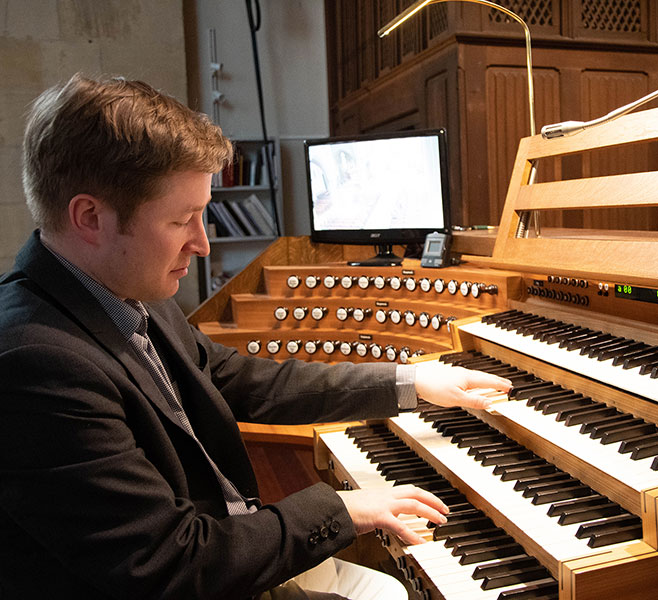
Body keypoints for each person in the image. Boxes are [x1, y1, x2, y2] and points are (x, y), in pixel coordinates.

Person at [0, 73, 511, 599]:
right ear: (91, 217)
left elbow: (238, 378)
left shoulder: (124, 291)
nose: (201, 244)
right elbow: (166, 565)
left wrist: (410, 381)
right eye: (184, 220)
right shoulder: (36, 362)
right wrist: (341, 509)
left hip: (225, 540)